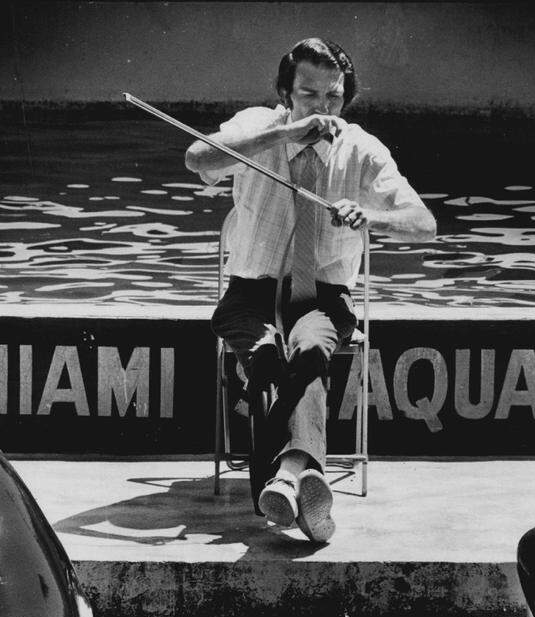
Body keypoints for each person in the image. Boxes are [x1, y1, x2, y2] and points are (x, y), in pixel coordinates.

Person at [185, 37, 436, 543]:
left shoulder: (362, 149)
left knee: (311, 346)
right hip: (250, 292)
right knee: (263, 355)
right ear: (285, 93)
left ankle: (284, 479)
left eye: (333, 97)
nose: (322, 109)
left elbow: (424, 223)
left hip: (321, 296)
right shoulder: (257, 126)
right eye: (308, 95)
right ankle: (300, 480)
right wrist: (283, 135)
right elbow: (197, 158)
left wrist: (373, 216)